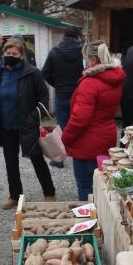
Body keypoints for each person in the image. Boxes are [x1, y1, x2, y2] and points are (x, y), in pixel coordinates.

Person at [0, 38, 56, 209]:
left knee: (37, 159)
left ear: (22, 55)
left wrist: (33, 117)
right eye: (8, 52)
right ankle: (15, 195)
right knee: (10, 163)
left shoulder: (32, 73)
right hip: (6, 126)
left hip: (27, 125)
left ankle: (49, 193)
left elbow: (44, 98)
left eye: (15, 53)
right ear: (3, 53)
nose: (11, 55)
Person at [62, 41, 125, 201]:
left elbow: (80, 119)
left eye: (85, 58)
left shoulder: (89, 83)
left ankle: (89, 215)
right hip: (107, 135)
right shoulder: (114, 78)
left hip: (87, 142)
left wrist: (65, 137)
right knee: (103, 185)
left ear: (92, 59)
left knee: (86, 186)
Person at [41, 26, 84, 168]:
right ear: (78, 37)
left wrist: (57, 85)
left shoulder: (54, 52)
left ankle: (59, 159)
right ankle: (80, 156)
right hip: (79, 95)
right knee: (79, 126)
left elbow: (45, 73)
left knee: (62, 128)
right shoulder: (83, 52)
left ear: (64, 36)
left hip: (61, 95)